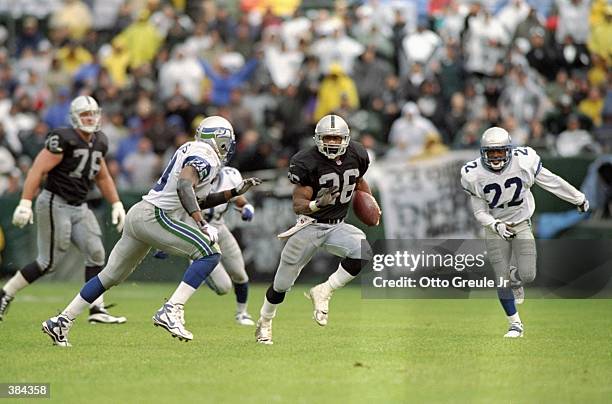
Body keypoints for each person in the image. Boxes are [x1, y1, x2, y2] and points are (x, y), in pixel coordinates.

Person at [42, 116, 261, 347]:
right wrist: (202, 223)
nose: (229, 145)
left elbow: (197, 198)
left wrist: (233, 192)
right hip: (155, 216)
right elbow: (184, 185)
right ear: (218, 138)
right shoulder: (206, 154)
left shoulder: (193, 149)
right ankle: (172, 310)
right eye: (226, 140)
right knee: (210, 253)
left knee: (109, 276)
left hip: (139, 213)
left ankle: (61, 321)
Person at [0, 95, 127, 324]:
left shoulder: (100, 141)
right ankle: (5, 293)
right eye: (84, 115)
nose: (90, 119)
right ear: (74, 118)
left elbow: (103, 176)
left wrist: (117, 202)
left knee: (96, 252)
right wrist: (25, 202)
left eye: (93, 114)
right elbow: (37, 169)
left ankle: (96, 309)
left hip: (80, 205)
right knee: (48, 263)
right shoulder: (63, 138)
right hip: (54, 202)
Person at [255, 114, 377, 345]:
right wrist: (315, 204)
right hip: (309, 227)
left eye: (336, 137)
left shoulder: (358, 154)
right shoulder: (306, 161)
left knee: (363, 251)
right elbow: (297, 204)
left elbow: (359, 182)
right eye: (327, 137)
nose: (332, 142)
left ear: (346, 139)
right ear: (317, 139)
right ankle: (265, 321)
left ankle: (324, 290)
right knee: (281, 284)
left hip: (337, 226)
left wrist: (370, 201)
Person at [460, 127, 589, 338]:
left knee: (528, 274)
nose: (495, 156)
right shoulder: (473, 174)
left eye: (499, 152)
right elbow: (479, 212)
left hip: (520, 222)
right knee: (501, 278)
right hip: (495, 226)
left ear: (509, 150)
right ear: (483, 152)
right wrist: (496, 225)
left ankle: (516, 278)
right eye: (491, 152)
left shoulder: (524, 161)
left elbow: (552, 181)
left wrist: (577, 197)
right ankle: (515, 325)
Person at [154, 165, 258, 326]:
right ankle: (198, 274)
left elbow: (239, 199)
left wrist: (247, 207)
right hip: (197, 232)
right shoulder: (189, 178)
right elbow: (175, 211)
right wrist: (166, 242)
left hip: (220, 229)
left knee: (240, 273)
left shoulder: (230, 176)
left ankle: (242, 313)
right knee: (223, 287)